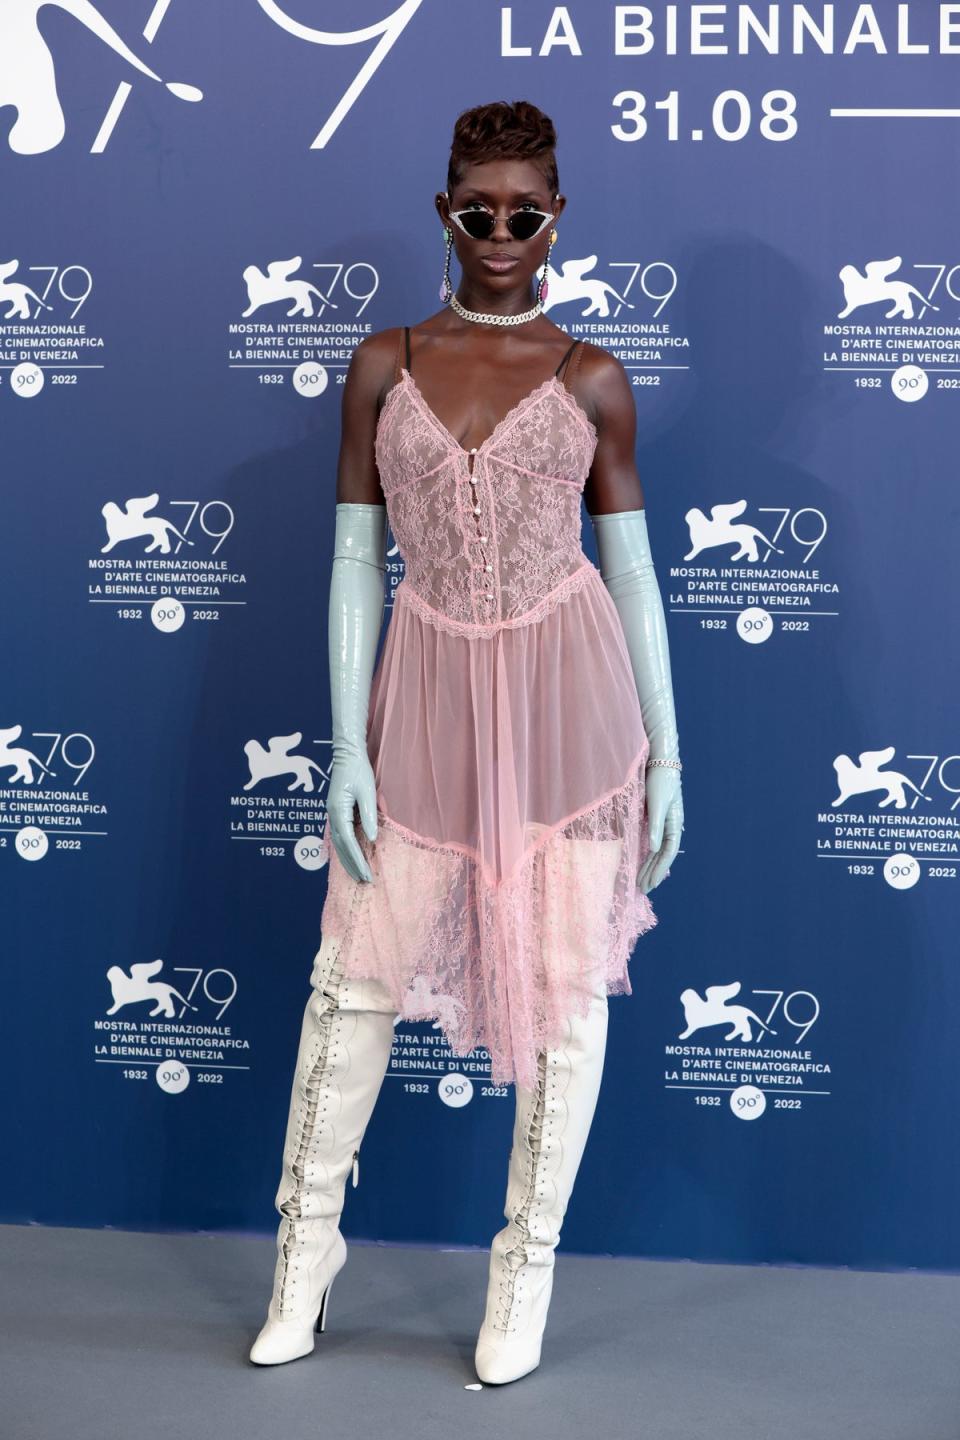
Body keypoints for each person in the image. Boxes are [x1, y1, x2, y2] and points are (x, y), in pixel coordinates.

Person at [249, 99, 683, 1384]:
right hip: (426, 692)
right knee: (356, 983)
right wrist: (346, 745)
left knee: (563, 1002)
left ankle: (524, 1275)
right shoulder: (383, 363)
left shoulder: (593, 375)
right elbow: (349, 560)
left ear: (559, 215)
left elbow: (640, 578)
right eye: (479, 210)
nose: (502, 233)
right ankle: (304, 1263)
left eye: (527, 212)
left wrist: (670, 753)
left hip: (570, 709)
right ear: (446, 212)